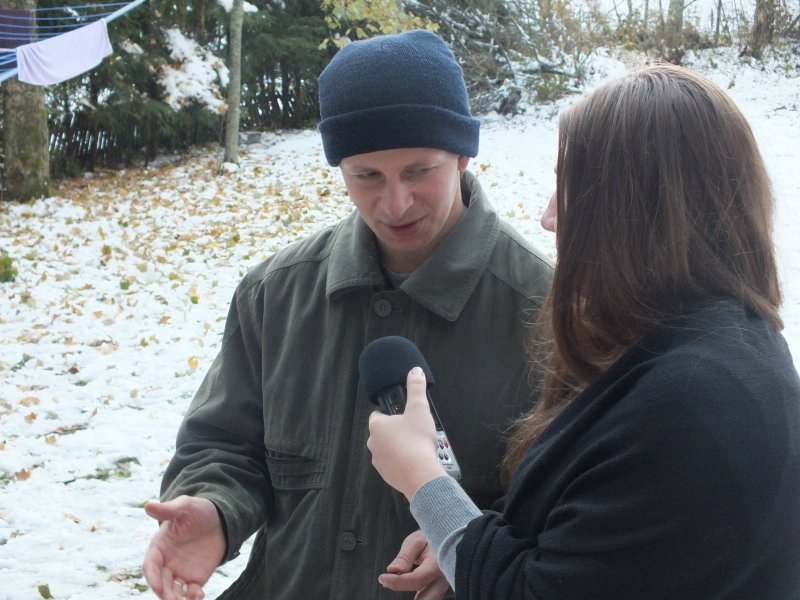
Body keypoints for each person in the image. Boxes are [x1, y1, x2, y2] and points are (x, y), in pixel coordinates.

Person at [142, 29, 554, 600]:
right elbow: (223, 443)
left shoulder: (548, 311)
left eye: (419, 170)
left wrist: (469, 544)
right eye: (367, 176)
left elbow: (573, 502)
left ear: (463, 154)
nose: (395, 203)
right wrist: (216, 507)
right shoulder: (275, 293)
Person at [367, 63, 800, 599]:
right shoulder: (707, 345)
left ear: (636, 209)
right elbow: (601, 537)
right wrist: (461, 535)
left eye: (569, 188)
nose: (549, 218)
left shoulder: (695, 398)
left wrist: (422, 478)